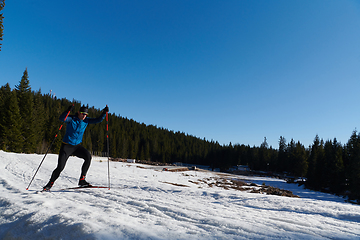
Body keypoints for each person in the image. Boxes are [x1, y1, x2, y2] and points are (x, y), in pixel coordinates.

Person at [43, 104, 109, 191]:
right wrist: (67, 110)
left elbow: (98, 120)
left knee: (88, 157)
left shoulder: (86, 121)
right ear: (79, 112)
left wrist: (104, 112)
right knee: (60, 167)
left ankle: (82, 180)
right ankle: (49, 184)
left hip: (77, 147)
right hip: (66, 146)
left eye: (86, 114)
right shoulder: (71, 119)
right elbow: (62, 119)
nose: (84, 115)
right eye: (82, 113)